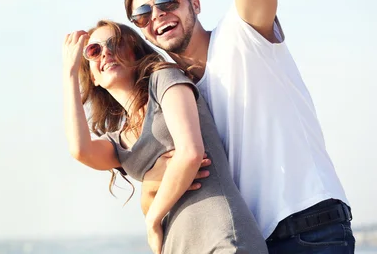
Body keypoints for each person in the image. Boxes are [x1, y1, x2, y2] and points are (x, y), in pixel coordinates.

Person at [123, 0, 354, 253]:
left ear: (193, 4)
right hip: (250, 240)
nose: (157, 15)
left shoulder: (243, 32)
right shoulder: (181, 95)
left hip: (310, 226)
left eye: (167, 2)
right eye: (143, 14)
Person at [62, 20, 268, 254]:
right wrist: (69, 74)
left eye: (115, 43)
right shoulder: (119, 143)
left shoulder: (164, 79)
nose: (107, 53)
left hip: (222, 239)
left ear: (135, 52)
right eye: (94, 51)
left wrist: (152, 219)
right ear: (94, 79)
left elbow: (190, 153)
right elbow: (80, 150)